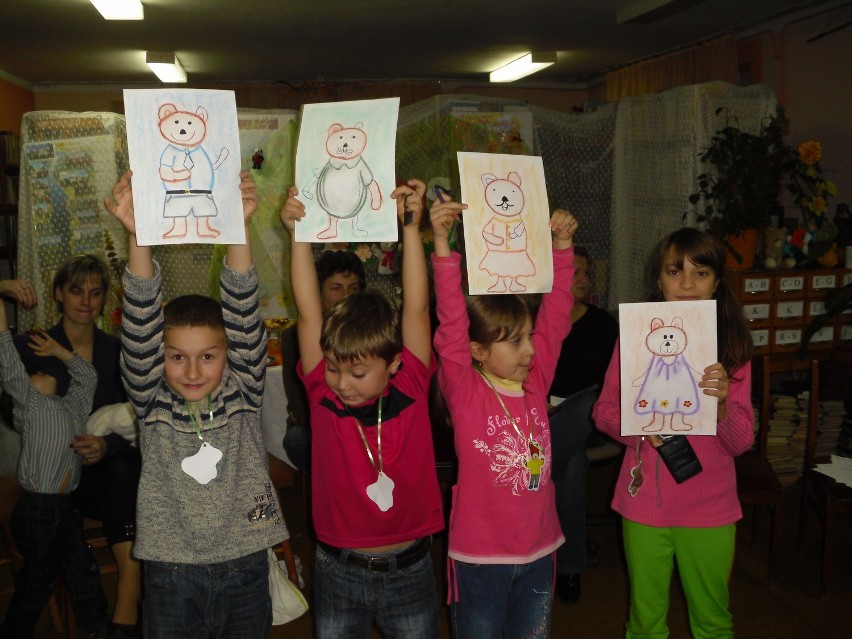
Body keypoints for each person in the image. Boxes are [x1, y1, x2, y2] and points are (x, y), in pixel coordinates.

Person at [105, 170, 288, 638]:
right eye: (176, 357)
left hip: (246, 560)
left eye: (207, 357)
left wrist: (239, 228)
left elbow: (244, 309)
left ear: (228, 357)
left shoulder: (243, 389)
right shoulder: (150, 397)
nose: (191, 371)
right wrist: (139, 235)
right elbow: (142, 318)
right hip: (170, 568)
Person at [280, 178, 444, 639]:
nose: (342, 385)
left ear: (393, 364)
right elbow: (310, 312)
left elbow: (416, 307)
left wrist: (410, 228)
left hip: (410, 568)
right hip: (338, 569)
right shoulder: (322, 394)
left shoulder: (410, 381)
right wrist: (299, 235)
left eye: (357, 374)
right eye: (333, 369)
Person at [592, 227, 754, 639]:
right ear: (658, 280)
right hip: (645, 502)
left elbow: (741, 443)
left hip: (710, 507)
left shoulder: (731, 346)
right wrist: (642, 431)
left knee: (712, 622)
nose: (686, 283)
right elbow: (604, 412)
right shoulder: (634, 338)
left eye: (700, 273)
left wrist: (718, 409)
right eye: (674, 271)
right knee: (645, 623)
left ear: (717, 282)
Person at [429, 195, 579, 638]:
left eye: (528, 338)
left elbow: (555, 318)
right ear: (477, 351)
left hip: (539, 552)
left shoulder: (535, 381)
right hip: (480, 560)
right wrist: (442, 242)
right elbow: (451, 321)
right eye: (514, 342)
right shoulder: (465, 389)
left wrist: (563, 248)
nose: (530, 350)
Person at [11, 256, 142, 638]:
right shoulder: (30, 346)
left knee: (125, 468)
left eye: (95, 293)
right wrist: (29, 400)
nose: (85, 301)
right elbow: (8, 409)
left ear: (104, 300)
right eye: (75, 291)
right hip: (55, 476)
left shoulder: (118, 351)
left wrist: (106, 443)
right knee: (127, 480)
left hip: (107, 472)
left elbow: (138, 414)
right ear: (58, 295)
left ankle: (128, 593)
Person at [0, 288, 110, 639]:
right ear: (23, 389)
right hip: (37, 509)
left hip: (66, 507)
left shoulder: (72, 407)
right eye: (31, 373)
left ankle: (98, 629)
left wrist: (61, 352)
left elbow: (88, 377)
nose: (40, 372)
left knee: (83, 570)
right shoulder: (30, 406)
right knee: (39, 578)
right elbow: (6, 352)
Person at [548, 246, 619, 604]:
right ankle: (570, 567)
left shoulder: (603, 324)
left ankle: (536, 489)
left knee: (588, 401)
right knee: (571, 466)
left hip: (593, 418)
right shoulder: (535, 322)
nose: (581, 279)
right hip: (541, 424)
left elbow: (617, 387)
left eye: (585, 273)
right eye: (572, 271)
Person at [280, 249, 366, 473]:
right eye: (336, 289)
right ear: (318, 293)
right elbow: (299, 402)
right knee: (299, 439)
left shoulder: (373, 334)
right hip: (320, 420)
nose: (346, 296)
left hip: (367, 417)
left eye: (353, 289)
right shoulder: (295, 336)